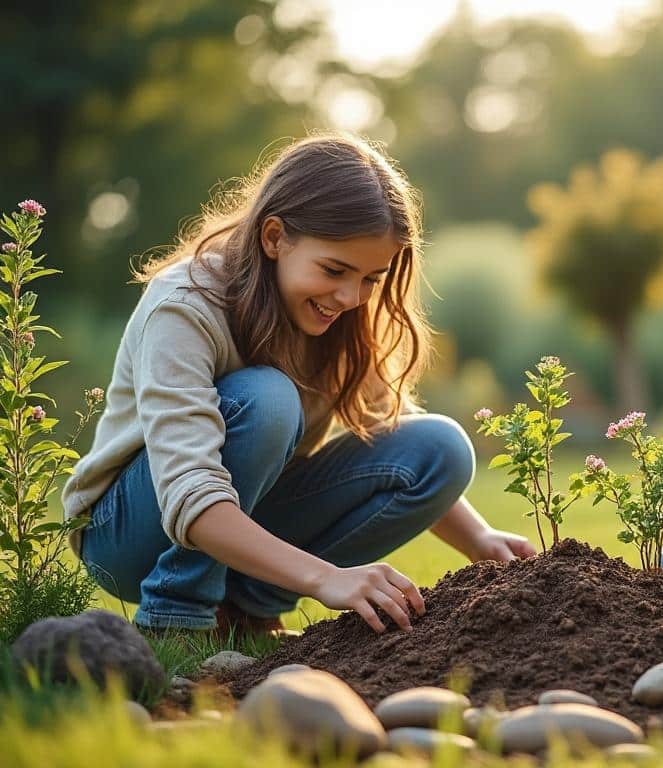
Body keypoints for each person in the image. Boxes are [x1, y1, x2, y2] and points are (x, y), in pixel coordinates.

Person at [63, 134, 535, 636]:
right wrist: (326, 579)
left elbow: (391, 437)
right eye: (335, 270)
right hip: (130, 531)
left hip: (242, 516)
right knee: (268, 401)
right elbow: (191, 494)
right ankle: (176, 616)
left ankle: (248, 611)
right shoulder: (184, 306)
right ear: (274, 238)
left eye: (372, 278)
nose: (351, 295)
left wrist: (479, 539)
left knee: (442, 448)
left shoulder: (342, 315)